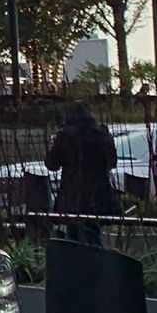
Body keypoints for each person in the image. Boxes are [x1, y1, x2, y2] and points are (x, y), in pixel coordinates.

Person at [47, 101, 118, 244]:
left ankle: (80, 262)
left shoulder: (65, 136)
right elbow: (112, 161)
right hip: (99, 190)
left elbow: (52, 164)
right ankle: (95, 262)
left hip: (74, 193)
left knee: (75, 236)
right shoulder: (101, 133)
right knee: (93, 233)